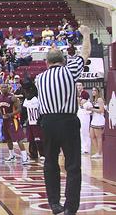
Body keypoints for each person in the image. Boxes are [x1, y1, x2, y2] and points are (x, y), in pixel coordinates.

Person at [35, 25, 91, 215]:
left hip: (48, 123)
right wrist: (86, 34)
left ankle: (54, 204)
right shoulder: (70, 70)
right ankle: (70, 208)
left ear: (46, 63)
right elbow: (85, 52)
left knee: (50, 163)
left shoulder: (39, 78)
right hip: (68, 121)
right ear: (63, 60)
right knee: (73, 165)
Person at [0, 83, 29, 164]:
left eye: (5, 87)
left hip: (13, 120)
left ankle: (25, 157)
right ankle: (12, 155)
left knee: (19, 139)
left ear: (8, 88)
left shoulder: (13, 97)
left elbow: (19, 109)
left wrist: (10, 115)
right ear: (0, 88)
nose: (3, 88)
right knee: (8, 139)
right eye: (2, 87)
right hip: (5, 121)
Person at [22, 80, 44, 161]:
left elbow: (42, 110)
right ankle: (33, 153)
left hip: (37, 122)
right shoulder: (26, 100)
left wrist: (41, 119)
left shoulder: (38, 99)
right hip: (30, 122)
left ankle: (43, 153)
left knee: (39, 139)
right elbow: (24, 112)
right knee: (30, 139)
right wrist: (22, 120)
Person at [88, 91, 105, 159]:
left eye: (95, 90)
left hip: (98, 120)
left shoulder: (100, 99)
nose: (93, 92)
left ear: (98, 91)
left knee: (99, 137)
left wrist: (92, 109)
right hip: (94, 119)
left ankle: (100, 153)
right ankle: (97, 151)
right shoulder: (94, 99)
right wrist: (91, 112)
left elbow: (101, 110)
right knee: (91, 136)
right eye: (92, 90)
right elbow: (96, 109)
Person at [76, 82, 91, 155]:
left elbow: (81, 103)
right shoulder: (76, 94)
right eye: (77, 85)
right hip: (79, 113)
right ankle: (82, 148)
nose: (78, 87)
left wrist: (78, 100)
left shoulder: (85, 93)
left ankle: (86, 149)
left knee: (84, 131)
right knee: (80, 131)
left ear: (83, 86)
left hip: (85, 114)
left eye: (80, 85)